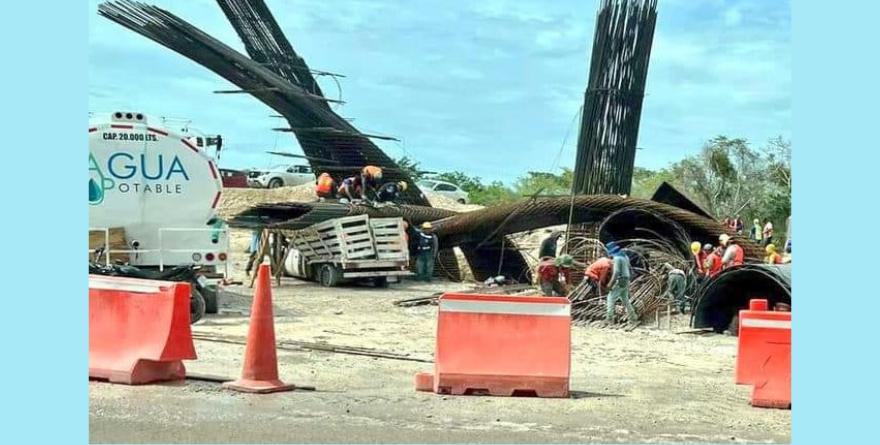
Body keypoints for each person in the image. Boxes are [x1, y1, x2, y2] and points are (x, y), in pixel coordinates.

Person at [605, 242, 639, 325]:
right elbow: (628, 268)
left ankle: (609, 319)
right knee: (625, 299)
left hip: (620, 280)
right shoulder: (625, 257)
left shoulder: (617, 258)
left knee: (610, 298)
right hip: (627, 280)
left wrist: (610, 284)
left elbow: (616, 272)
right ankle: (633, 317)